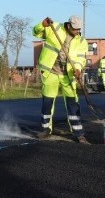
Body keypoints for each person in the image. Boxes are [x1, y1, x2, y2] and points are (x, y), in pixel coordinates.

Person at [33, 15, 89, 143]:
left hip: (68, 76)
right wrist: (42, 25)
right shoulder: (55, 28)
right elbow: (35, 32)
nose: (77, 32)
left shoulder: (81, 41)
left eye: (79, 29)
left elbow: (81, 58)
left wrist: (78, 68)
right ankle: (45, 130)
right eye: (75, 29)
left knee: (72, 103)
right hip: (51, 72)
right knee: (47, 102)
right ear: (69, 25)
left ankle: (78, 133)